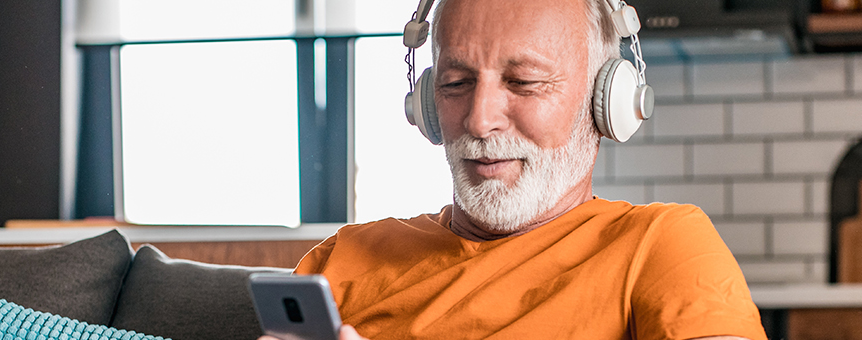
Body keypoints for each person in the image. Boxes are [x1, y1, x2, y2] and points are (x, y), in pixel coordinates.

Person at [263, 0, 765, 339]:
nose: (479, 120)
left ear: (603, 101)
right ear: (426, 105)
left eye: (524, 83)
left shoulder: (661, 243)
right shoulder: (341, 261)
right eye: (456, 83)